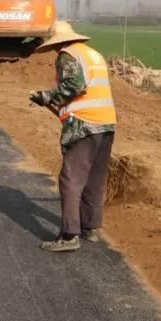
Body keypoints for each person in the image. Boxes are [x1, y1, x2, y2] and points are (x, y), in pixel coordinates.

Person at [27, 21, 117, 252]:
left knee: (70, 180)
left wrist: (46, 96)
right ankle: (91, 227)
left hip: (84, 124)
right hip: (106, 123)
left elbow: (75, 85)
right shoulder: (92, 54)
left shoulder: (68, 55)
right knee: (95, 179)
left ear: (59, 42)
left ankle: (69, 236)